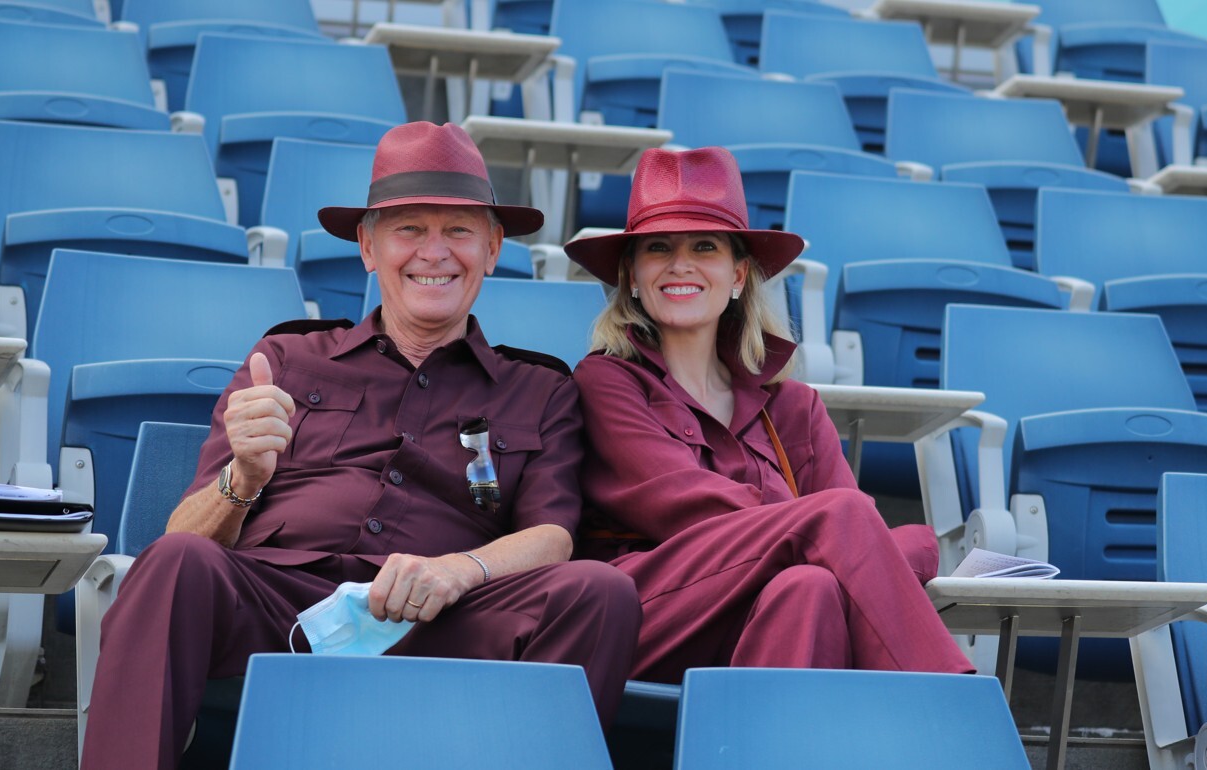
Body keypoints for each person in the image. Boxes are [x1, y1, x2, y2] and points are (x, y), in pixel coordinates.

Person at [81, 122, 641, 770]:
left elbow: (551, 538)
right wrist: (245, 475)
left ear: (492, 249)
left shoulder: (539, 387)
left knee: (599, 592)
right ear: (368, 247)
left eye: (458, 231)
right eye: (409, 229)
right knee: (177, 561)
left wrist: (456, 570)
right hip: (280, 602)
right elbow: (186, 533)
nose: (435, 252)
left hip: (440, 617)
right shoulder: (286, 357)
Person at [566, 146, 971, 684]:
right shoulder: (606, 381)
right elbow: (688, 508)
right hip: (652, 615)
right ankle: (951, 709)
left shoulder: (794, 406)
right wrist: (846, 534)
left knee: (811, 585)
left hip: (764, 615)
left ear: (738, 276)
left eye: (705, 247)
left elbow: (850, 535)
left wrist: (854, 540)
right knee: (847, 526)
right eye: (658, 248)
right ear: (632, 277)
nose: (680, 264)